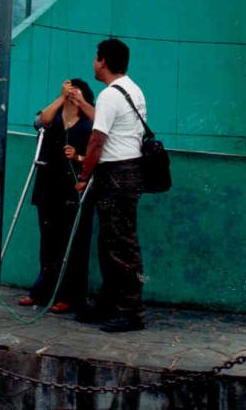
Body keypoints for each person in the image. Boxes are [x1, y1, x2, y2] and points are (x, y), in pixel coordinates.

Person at [76, 38, 146, 333]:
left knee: (119, 244)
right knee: (112, 241)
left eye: (95, 58)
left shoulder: (108, 95)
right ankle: (110, 303)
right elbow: (112, 124)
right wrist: (83, 104)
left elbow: (97, 140)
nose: (93, 63)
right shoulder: (131, 89)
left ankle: (130, 310)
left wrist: (83, 177)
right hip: (131, 170)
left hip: (114, 172)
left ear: (102, 61)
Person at [19, 78, 95, 314]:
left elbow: (102, 141)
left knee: (73, 243)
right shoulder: (55, 118)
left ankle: (70, 295)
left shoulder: (88, 123)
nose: (72, 96)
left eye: (77, 93)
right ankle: (42, 291)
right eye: (69, 92)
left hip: (74, 189)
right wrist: (61, 98)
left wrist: (78, 158)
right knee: (48, 241)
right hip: (48, 186)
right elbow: (40, 121)